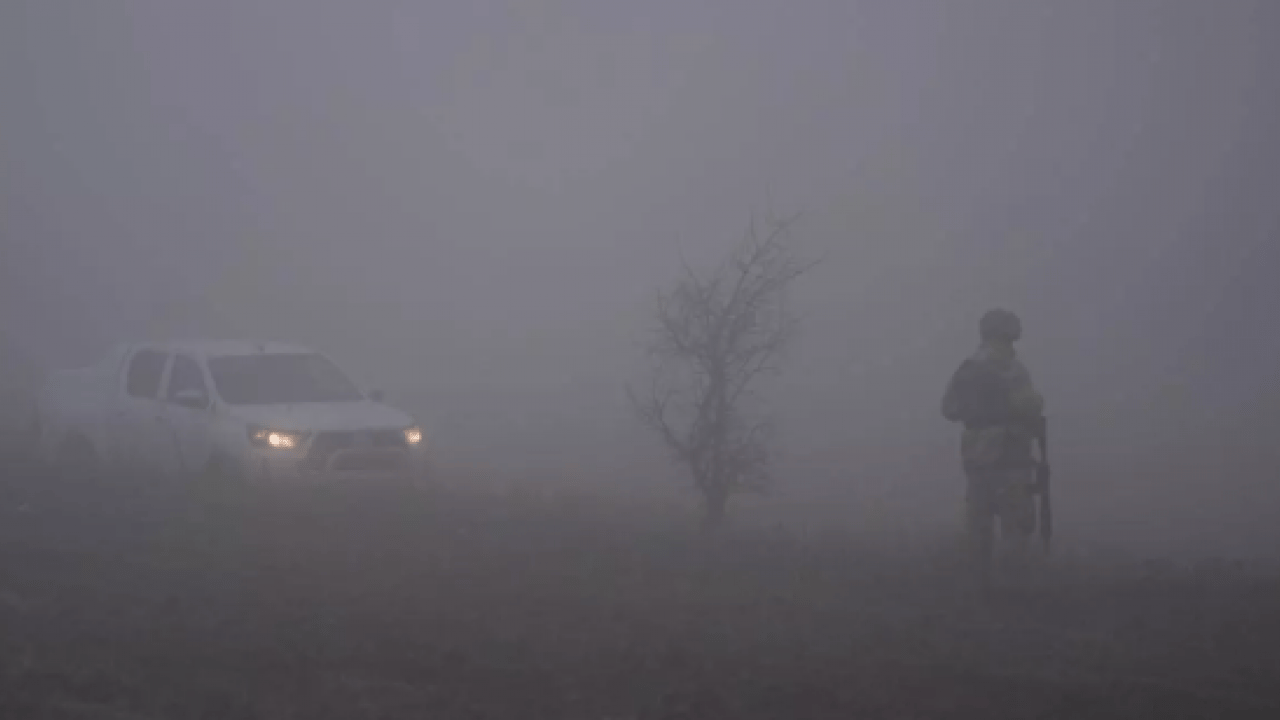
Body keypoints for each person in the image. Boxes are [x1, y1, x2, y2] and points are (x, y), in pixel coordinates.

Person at [940, 308, 1045, 590]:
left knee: (978, 529)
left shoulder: (968, 367)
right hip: (1012, 459)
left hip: (978, 460)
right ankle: (1011, 595)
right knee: (1016, 529)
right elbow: (1031, 410)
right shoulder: (1015, 370)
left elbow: (948, 409)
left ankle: (979, 592)